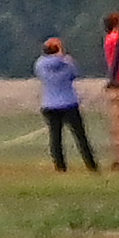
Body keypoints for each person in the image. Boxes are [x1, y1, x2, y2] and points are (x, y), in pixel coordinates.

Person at [36, 35, 101, 171]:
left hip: (49, 104)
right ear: (58, 49)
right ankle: (91, 166)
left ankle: (60, 167)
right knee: (80, 137)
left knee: (55, 138)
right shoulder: (67, 63)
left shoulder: (40, 64)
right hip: (68, 102)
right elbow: (74, 73)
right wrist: (63, 56)